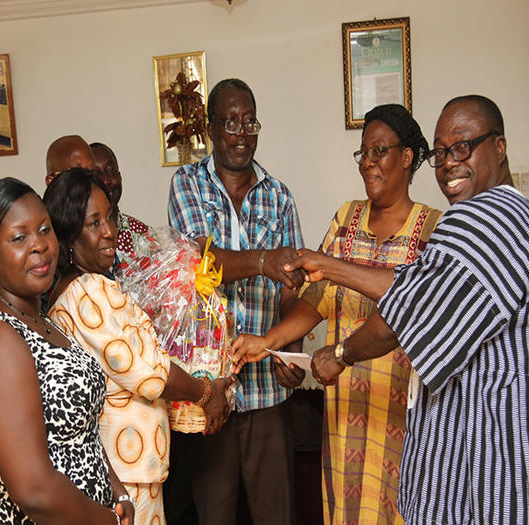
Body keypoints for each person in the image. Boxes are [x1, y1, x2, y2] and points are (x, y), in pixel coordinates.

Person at [310, 95, 528, 524]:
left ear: (499, 147)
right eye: (442, 152)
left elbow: (401, 317)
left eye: (463, 146)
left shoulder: (473, 222)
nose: (448, 162)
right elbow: (411, 289)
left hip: (482, 463)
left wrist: (339, 355)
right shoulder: (515, 214)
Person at [231, 104, 442, 525]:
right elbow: (316, 300)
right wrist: (267, 341)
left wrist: (330, 265)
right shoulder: (346, 218)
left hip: (403, 413)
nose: (367, 162)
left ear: (406, 158)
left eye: (379, 151)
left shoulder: (433, 228)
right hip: (346, 405)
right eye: (362, 152)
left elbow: (413, 298)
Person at [43, 168, 234, 525]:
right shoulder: (88, 292)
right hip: (124, 475)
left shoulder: (84, 289)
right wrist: (207, 390)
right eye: (93, 223)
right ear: (69, 233)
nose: (110, 232)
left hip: (129, 469)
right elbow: (148, 375)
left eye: (110, 217)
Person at [168, 78, 305, 525]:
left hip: (268, 390)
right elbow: (199, 260)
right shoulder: (187, 184)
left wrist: (288, 348)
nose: (242, 132)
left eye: (250, 121)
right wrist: (264, 260)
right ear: (211, 129)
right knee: (215, 516)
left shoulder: (279, 196)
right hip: (211, 393)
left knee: (276, 516)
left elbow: (293, 287)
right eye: (231, 122)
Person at [0, 177, 132, 525]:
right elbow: (34, 491)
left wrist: (118, 492)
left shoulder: (44, 323)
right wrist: (108, 522)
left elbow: (79, 431)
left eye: (45, 229)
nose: (39, 245)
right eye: (19, 237)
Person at [90, 142, 155, 269]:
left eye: (111, 171)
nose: (106, 180)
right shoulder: (77, 242)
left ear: (119, 176)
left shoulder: (145, 236)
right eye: (97, 175)